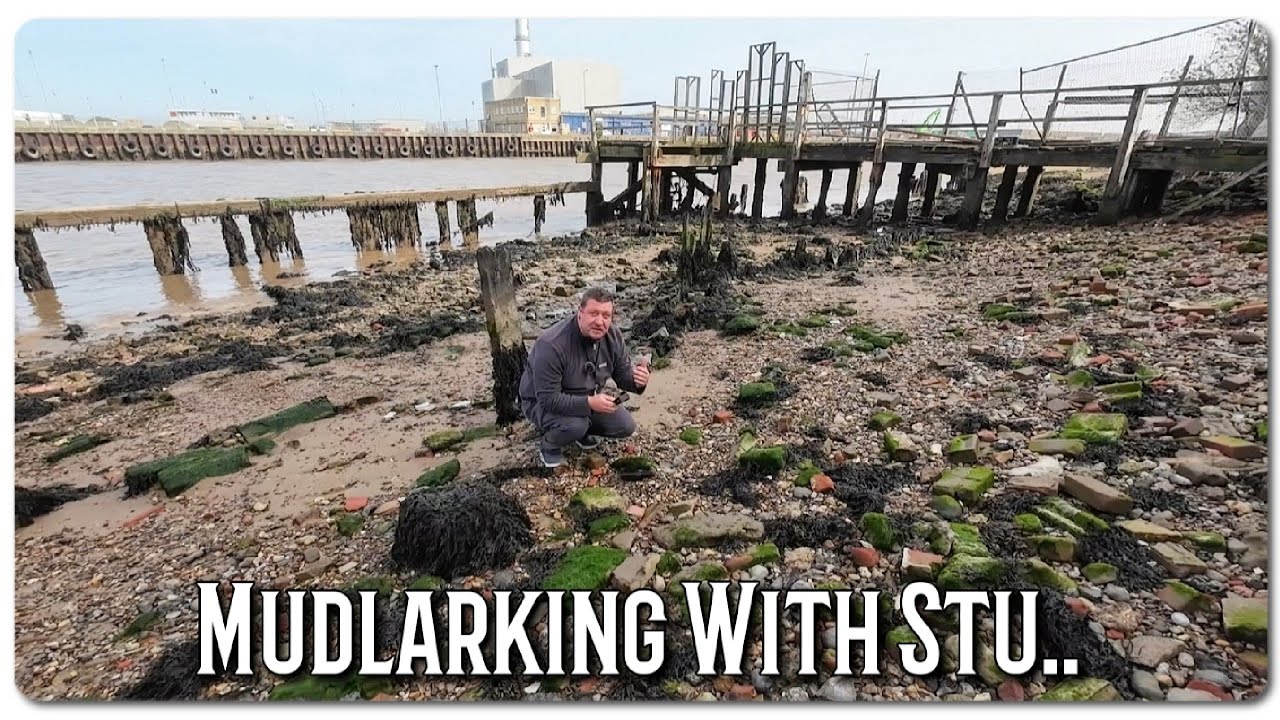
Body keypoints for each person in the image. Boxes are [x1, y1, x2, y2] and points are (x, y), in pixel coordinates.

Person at [518, 287, 650, 467]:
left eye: (606, 315)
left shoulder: (613, 336)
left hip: (586, 398)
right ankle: (549, 445)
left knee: (626, 426)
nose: (599, 321)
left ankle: (582, 431)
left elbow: (623, 376)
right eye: (593, 313)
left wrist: (639, 381)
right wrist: (589, 404)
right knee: (575, 425)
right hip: (541, 403)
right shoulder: (551, 345)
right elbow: (548, 400)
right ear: (580, 313)